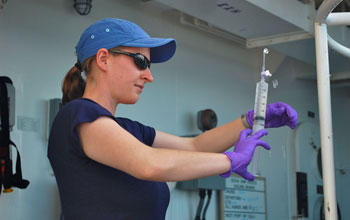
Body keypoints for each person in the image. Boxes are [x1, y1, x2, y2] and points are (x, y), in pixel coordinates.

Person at [47, 18, 298, 220]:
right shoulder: (77, 115)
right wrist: (230, 160)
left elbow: (194, 146)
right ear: (103, 59)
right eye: (140, 61)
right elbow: (149, 164)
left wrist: (250, 120)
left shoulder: (127, 130)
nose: (149, 76)